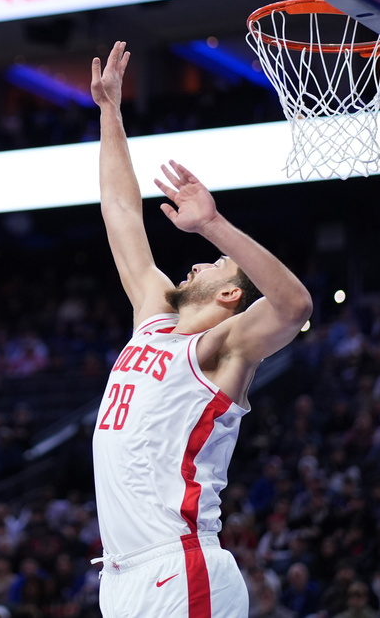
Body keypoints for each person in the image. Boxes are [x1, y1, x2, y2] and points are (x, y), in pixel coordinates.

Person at [89, 41, 312, 617]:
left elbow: (293, 306)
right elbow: (119, 209)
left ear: (232, 294)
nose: (195, 263)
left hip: (178, 564)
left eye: (211, 266)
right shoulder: (154, 319)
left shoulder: (223, 347)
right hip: (123, 574)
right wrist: (110, 113)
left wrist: (213, 226)